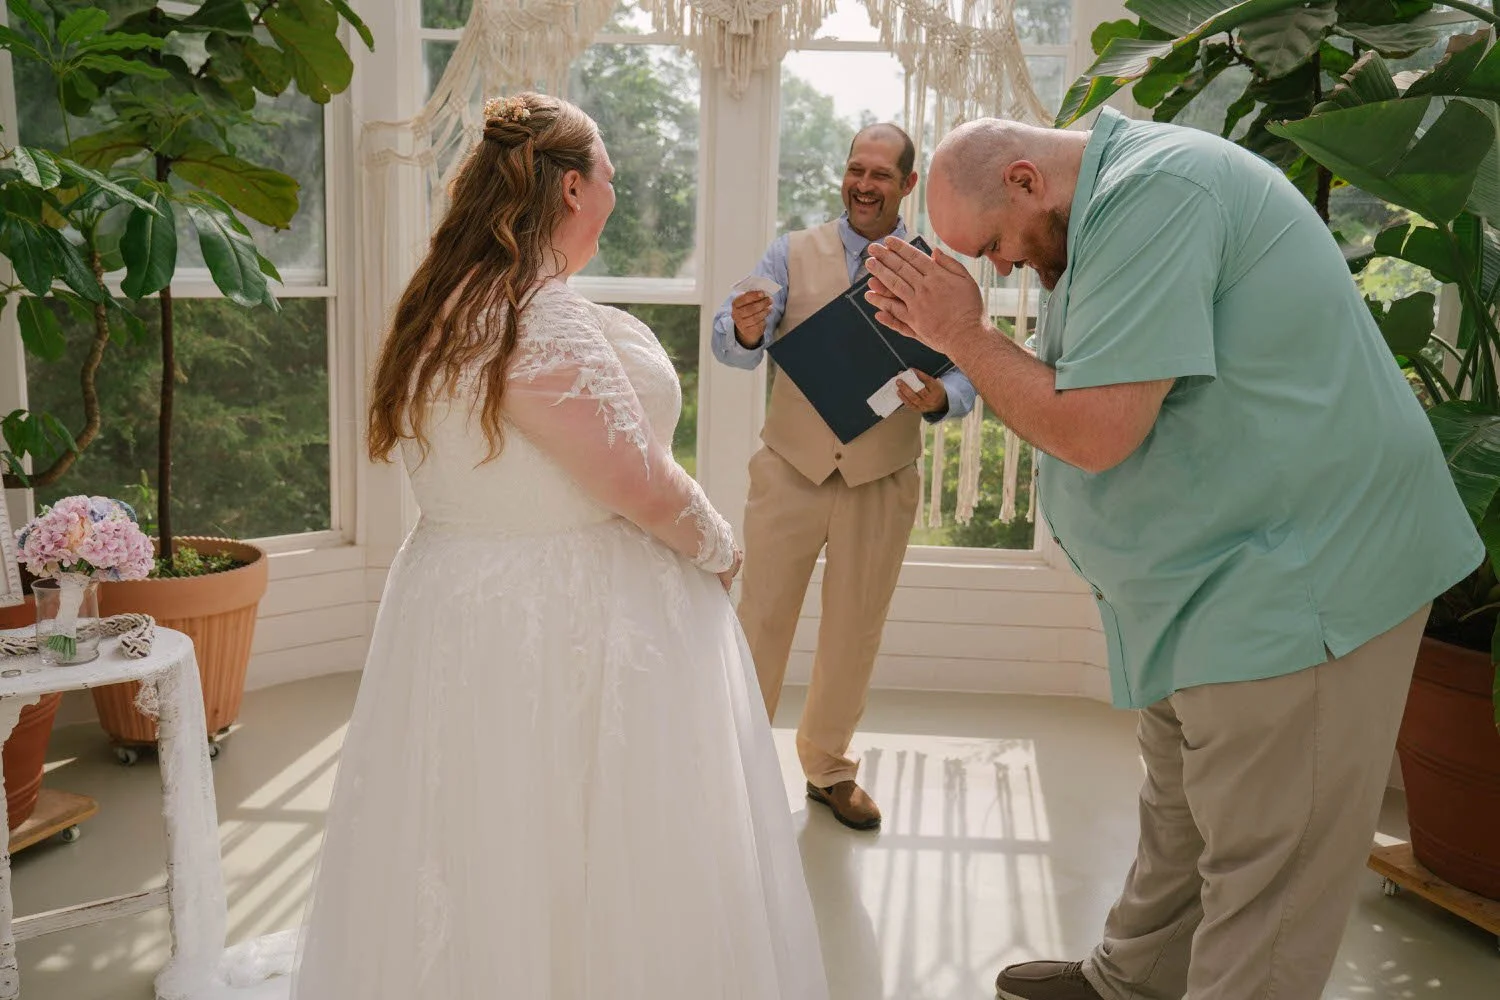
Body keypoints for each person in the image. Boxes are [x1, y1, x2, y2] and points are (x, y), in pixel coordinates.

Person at [862, 108, 1483, 1000]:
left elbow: (1096, 429)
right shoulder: (1103, 214)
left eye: (994, 243)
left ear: (1027, 180)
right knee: (1181, 814)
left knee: (1267, 878)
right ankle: (1136, 982)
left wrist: (964, 335)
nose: (999, 267)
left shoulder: (1158, 194)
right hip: (1206, 587)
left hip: (1298, 586)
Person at [288, 93, 829, 1000]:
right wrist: (718, 546)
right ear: (572, 187)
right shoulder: (533, 313)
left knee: (475, 825)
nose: (615, 195)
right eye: (610, 178)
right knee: (561, 832)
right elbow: (633, 479)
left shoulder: (448, 303)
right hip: (549, 611)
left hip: (453, 592)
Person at [712, 123, 977, 831]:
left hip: (881, 477)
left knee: (854, 630)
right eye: (855, 169)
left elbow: (966, 368)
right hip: (790, 470)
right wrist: (742, 328)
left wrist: (940, 396)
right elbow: (734, 345)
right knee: (759, 620)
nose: (864, 184)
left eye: (881, 175)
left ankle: (827, 768)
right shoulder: (789, 253)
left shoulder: (935, 270)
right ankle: (734, 768)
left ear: (908, 186)